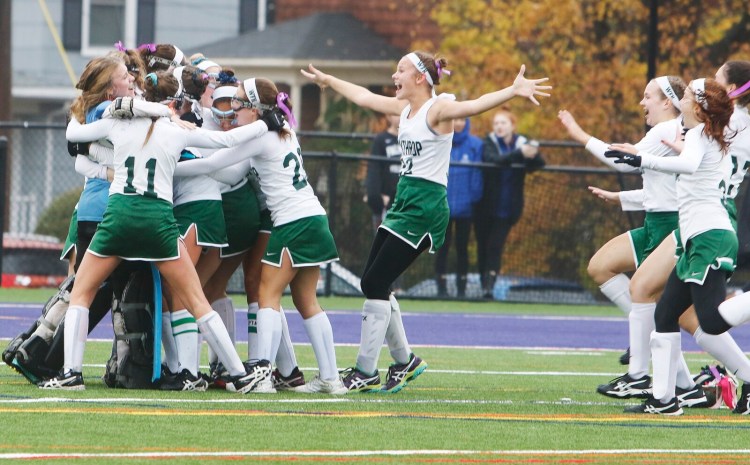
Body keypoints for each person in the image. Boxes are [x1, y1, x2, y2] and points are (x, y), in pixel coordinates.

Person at [301, 51, 551, 393]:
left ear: (420, 77)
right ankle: (405, 361)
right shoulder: (404, 109)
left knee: (374, 282)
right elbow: (364, 97)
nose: (394, 75)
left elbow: (475, 105)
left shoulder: (438, 109)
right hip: (405, 200)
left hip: (426, 205)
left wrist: (512, 90)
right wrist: (329, 80)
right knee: (375, 283)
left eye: (401, 69)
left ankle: (365, 370)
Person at [38, 70, 285, 392]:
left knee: (82, 294)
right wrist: (266, 123)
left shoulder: (117, 123)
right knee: (197, 300)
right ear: (170, 103)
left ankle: (71, 373)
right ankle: (240, 375)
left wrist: (78, 107)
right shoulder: (176, 129)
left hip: (120, 217)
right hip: (158, 220)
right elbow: (227, 140)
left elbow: (75, 134)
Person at [173, 77, 346, 394]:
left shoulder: (261, 133)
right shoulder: (282, 130)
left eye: (239, 102)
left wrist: (166, 160)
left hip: (292, 221)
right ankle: (331, 378)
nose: (233, 108)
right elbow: (228, 171)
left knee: (266, 293)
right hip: (314, 218)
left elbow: (219, 153)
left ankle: (262, 374)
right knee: (306, 300)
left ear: (255, 108)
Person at [605, 78, 736, 415]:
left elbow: (689, 165)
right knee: (664, 313)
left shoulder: (699, 135)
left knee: (711, 321)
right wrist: (641, 154)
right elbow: (689, 162)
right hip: (696, 238)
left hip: (710, 236)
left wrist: (642, 160)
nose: (683, 99)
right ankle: (664, 400)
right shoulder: (701, 137)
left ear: (699, 106)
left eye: (689, 95)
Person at [477, 108, 544, 298]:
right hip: (485, 206)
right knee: (483, 246)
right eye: (496, 123)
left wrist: (531, 153)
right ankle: (483, 285)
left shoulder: (522, 142)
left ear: (512, 126)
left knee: (495, 246)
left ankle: (489, 288)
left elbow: (538, 163)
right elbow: (494, 160)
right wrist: (519, 153)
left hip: (509, 208)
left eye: (503, 123)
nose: (499, 127)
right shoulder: (488, 143)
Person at [435, 117, 483, 298]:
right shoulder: (440, 142)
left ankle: (461, 288)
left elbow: (477, 176)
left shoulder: (475, 145)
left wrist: (473, 198)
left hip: (465, 209)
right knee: (441, 246)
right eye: (456, 119)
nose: (459, 123)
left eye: (463, 119)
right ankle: (441, 286)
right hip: (442, 207)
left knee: (462, 248)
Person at [365, 113, 401, 231]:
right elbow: (374, 169)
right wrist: (376, 195)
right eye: (396, 114)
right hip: (386, 200)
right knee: (382, 239)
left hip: (405, 198)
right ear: (389, 116)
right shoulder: (381, 139)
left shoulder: (412, 139)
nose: (400, 117)